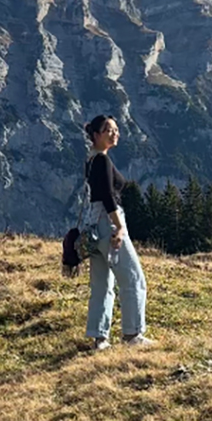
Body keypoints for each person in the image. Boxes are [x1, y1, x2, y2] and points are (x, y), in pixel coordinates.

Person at [83, 114, 152, 350]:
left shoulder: (91, 160)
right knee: (133, 277)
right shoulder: (101, 161)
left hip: (93, 224)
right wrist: (120, 227)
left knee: (102, 283)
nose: (115, 134)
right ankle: (133, 334)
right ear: (96, 135)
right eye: (109, 130)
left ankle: (99, 338)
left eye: (116, 130)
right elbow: (108, 196)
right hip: (109, 222)